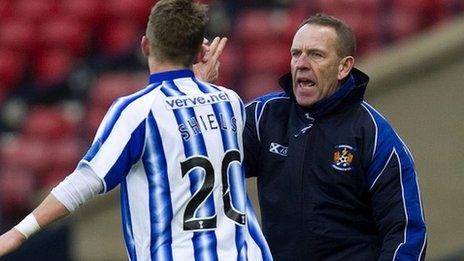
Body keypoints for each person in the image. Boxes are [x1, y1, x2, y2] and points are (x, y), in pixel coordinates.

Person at [0, 0, 273, 260]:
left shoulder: (138, 110)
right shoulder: (230, 102)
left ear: (145, 45)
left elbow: (85, 181)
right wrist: (199, 84)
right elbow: (196, 120)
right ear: (201, 52)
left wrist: (17, 233)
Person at [243, 13, 427, 260]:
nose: (302, 63)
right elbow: (207, 156)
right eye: (296, 53)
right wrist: (197, 89)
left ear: (343, 67)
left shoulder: (373, 134)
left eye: (316, 54)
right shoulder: (264, 117)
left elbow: (405, 234)